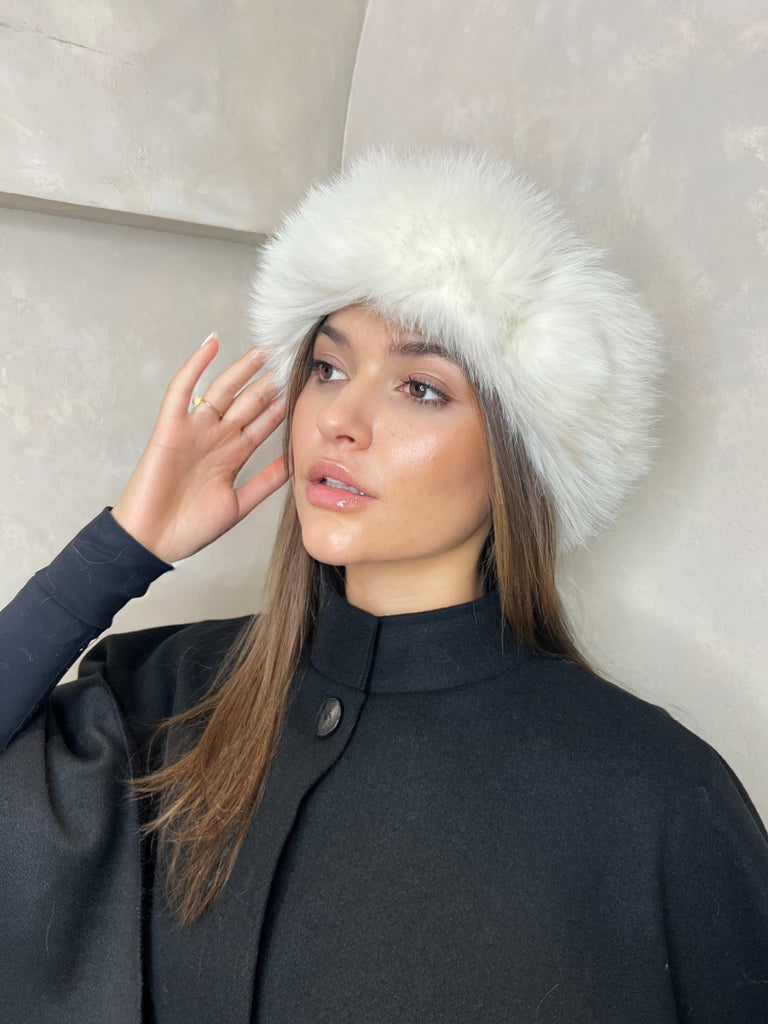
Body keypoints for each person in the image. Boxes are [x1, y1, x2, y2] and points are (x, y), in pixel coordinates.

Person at [1, 149, 767, 1024]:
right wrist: (122, 549)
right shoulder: (167, 700)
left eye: (421, 388)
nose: (341, 419)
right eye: (328, 369)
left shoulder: (654, 799)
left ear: (519, 457)